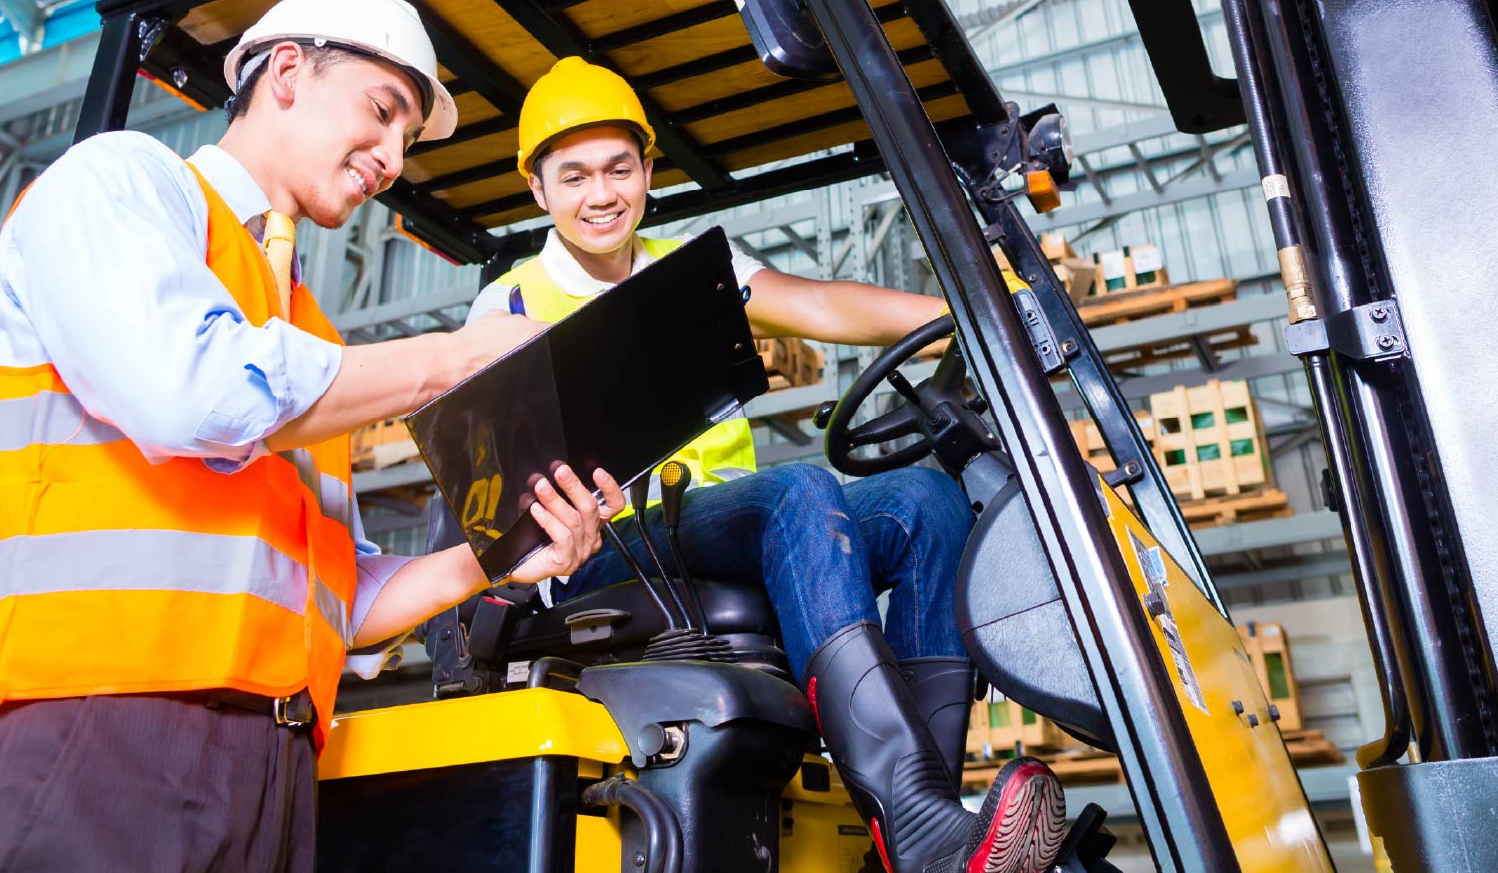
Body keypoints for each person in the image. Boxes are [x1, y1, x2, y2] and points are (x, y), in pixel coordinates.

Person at [0, 0, 625, 873]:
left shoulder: (309, 339)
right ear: (286, 70)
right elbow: (186, 395)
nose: (393, 158)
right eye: (383, 110)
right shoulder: (119, 184)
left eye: (406, 138)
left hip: (272, 764)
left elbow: (341, 598)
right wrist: (452, 358)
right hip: (87, 731)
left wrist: (506, 553)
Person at [425, 57, 1068, 873]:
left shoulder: (689, 265)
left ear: (648, 170)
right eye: (575, 174)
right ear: (538, 188)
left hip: (716, 529)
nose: (601, 193)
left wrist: (979, 312)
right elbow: (485, 480)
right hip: (597, 550)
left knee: (924, 501)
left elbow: (822, 304)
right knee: (798, 491)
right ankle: (910, 807)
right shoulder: (509, 304)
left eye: (620, 168)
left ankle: (921, 824)